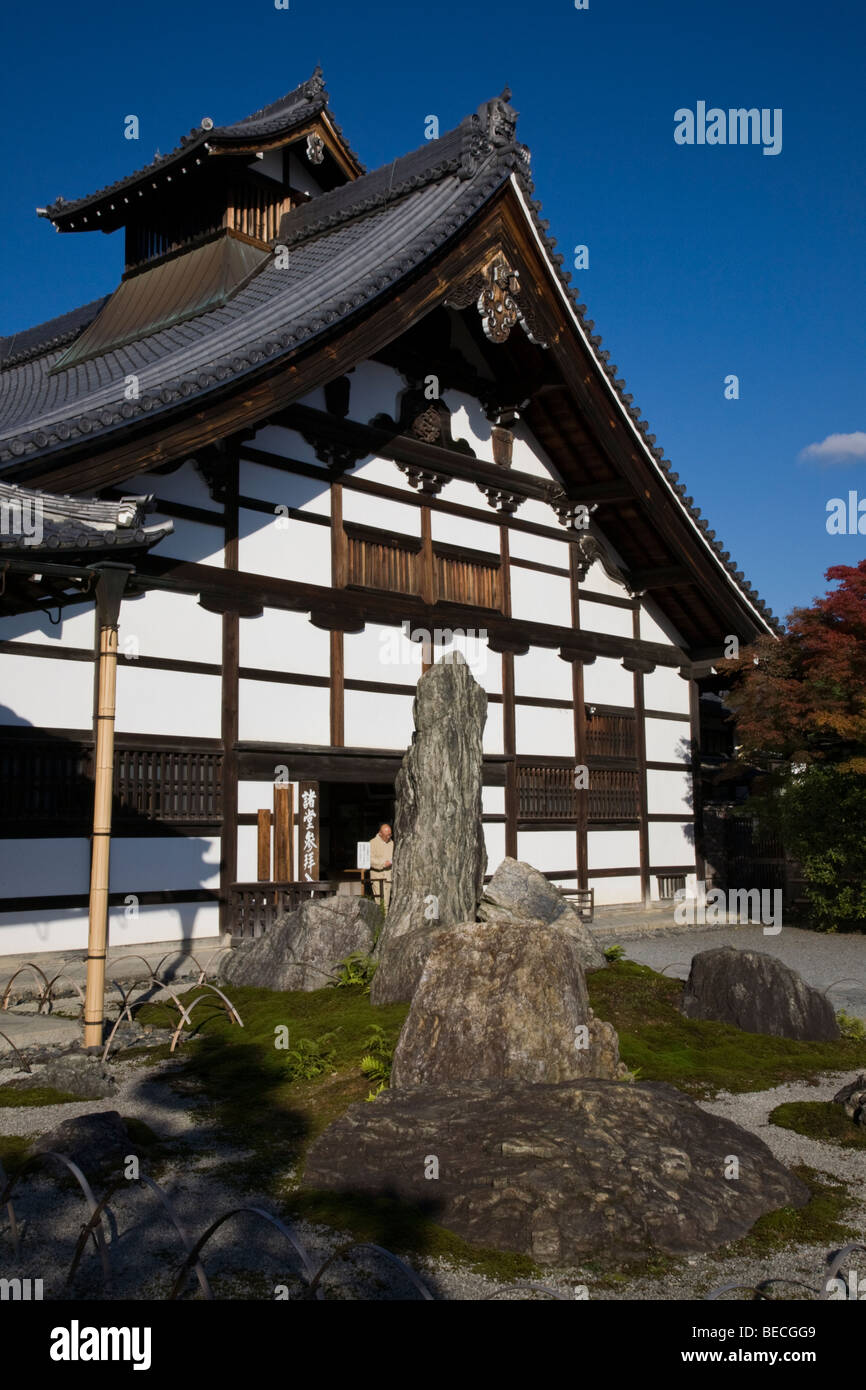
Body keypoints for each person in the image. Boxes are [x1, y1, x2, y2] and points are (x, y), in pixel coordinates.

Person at [368, 823, 393, 910]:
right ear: (380, 833)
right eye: (387, 835)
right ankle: (381, 922)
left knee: (387, 903)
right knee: (380, 903)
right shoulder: (372, 843)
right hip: (377, 877)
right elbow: (369, 860)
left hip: (389, 877)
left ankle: (385, 921)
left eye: (390, 834)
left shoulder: (392, 843)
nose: (389, 837)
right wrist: (382, 863)